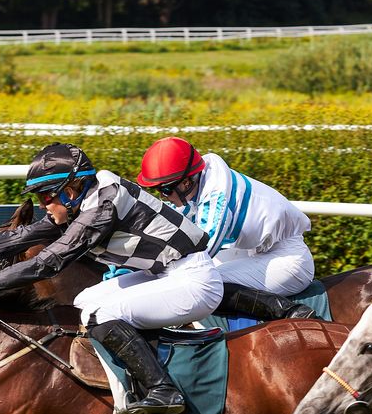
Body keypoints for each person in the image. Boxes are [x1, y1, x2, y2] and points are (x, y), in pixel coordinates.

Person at [0, 142, 223, 414]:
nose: (43, 205)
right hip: (166, 273)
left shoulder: (100, 210)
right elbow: (24, 235)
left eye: (46, 197)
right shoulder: (88, 199)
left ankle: (163, 390)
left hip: (192, 280)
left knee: (100, 313)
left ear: (70, 189)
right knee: (85, 301)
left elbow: (46, 263)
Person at [136, 136, 317, 321]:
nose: (162, 196)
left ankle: (294, 313)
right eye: (156, 190)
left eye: (165, 190)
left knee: (201, 283)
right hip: (251, 251)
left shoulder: (217, 199)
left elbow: (201, 254)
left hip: (287, 260)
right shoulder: (196, 183)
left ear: (186, 182)